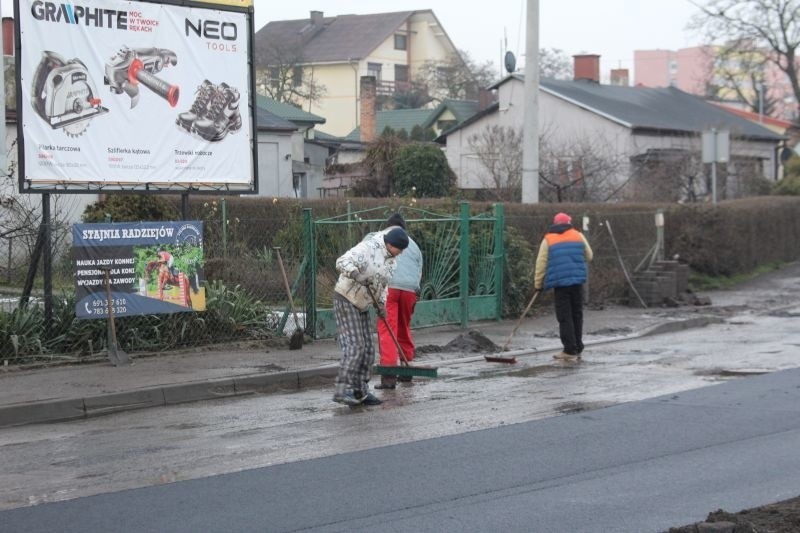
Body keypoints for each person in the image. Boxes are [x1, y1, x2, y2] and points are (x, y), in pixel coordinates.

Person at [332, 226, 409, 406]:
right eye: (400, 249)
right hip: (346, 298)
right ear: (391, 244)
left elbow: (384, 285)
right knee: (355, 346)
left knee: (368, 349)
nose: (401, 253)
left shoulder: (392, 261)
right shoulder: (368, 248)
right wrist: (356, 274)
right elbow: (342, 261)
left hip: (364, 304)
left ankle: (360, 391)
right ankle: (342, 390)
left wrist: (381, 303)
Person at [533, 212, 593, 362]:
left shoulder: (548, 239)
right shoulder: (578, 235)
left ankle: (569, 350)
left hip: (560, 284)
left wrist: (538, 284)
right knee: (577, 315)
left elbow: (541, 264)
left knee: (564, 316)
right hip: (577, 282)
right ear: (569, 222)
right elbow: (589, 255)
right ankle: (578, 347)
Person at [375, 213, 423, 390]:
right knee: (404, 327)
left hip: (390, 288)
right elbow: (419, 270)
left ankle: (388, 377)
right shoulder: (414, 245)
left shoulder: (378, 238)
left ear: (388, 227)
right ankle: (406, 370)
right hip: (410, 289)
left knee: (387, 328)